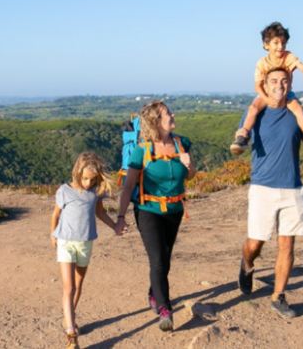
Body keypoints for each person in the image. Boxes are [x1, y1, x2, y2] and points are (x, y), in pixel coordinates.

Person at [237, 67, 303, 319]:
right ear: (265, 84)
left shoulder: (297, 111)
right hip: (262, 188)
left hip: (292, 187)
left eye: (284, 80)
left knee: (287, 244)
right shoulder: (256, 113)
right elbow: (240, 142)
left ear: (290, 82)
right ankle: (247, 264)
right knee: (255, 244)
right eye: (274, 81)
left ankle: (278, 296)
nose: (279, 85)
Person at [115, 100, 197, 332]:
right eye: (168, 113)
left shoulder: (183, 144)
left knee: (166, 258)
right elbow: (129, 184)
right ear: (156, 121)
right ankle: (165, 309)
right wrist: (121, 217)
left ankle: (154, 292)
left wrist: (190, 166)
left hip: (174, 210)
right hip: (148, 210)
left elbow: (189, 177)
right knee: (159, 259)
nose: (173, 114)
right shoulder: (142, 150)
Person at [51, 152, 117, 349]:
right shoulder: (64, 190)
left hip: (86, 243)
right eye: (85, 178)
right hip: (65, 242)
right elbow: (55, 214)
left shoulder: (96, 192)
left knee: (78, 286)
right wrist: (53, 235)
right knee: (69, 287)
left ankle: (68, 317)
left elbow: (100, 212)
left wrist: (115, 227)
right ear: (77, 173)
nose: (88, 183)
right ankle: (71, 335)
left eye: (92, 179)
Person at [230, 22, 303, 155]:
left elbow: (301, 65)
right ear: (266, 45)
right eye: (276, 43)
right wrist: (267, 100)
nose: (281, 47)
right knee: (253, 109)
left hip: (286, 93)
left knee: (297, 108)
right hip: (266, 93)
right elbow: (258, 85)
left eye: (283, 43)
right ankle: (242, 137)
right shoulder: (262, 63)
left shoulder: (288, 56)